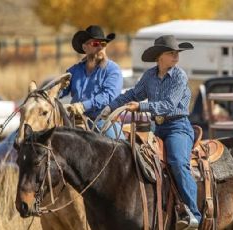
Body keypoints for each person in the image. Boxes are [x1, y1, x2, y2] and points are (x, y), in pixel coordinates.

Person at [101, 35, 201, 228]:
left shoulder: (179, 76)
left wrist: (140, 107)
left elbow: (169, 105)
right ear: (159, 57)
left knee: (178, 162)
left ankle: (193, 214)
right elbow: (132, 94)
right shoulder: (149, 76)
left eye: (177, 53)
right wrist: (110, 107)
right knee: (133, 160)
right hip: (157, 128)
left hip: (177, 127)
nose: (176, 57)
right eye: (171, 53)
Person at [61, 25, 125, 139]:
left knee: (121, 147)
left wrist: (83, 106)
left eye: (104, 44)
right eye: (95, 44)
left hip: (102, 121)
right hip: (74, 122)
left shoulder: (113, 69)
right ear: (85, 47)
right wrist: (47, 93)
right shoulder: (74, 70)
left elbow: (109, 96)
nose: (100, 47)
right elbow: (60, 90)